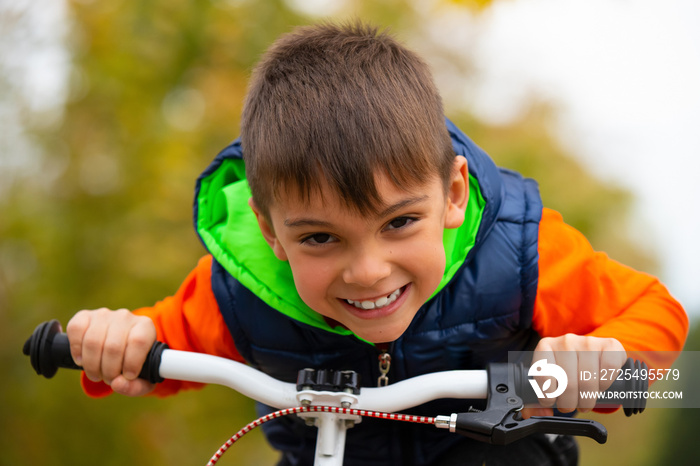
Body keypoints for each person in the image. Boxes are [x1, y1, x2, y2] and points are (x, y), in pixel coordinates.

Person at [65, 21, 688, 465]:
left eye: (398, 224)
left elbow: (658, 315)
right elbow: (158, 348)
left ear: (450, 194)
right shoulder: (240, 288)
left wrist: (603, 367)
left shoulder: (519, 253)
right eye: (318, 237)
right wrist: (117, 342)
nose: (367, 272)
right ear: (268, 230)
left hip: (493, 448)